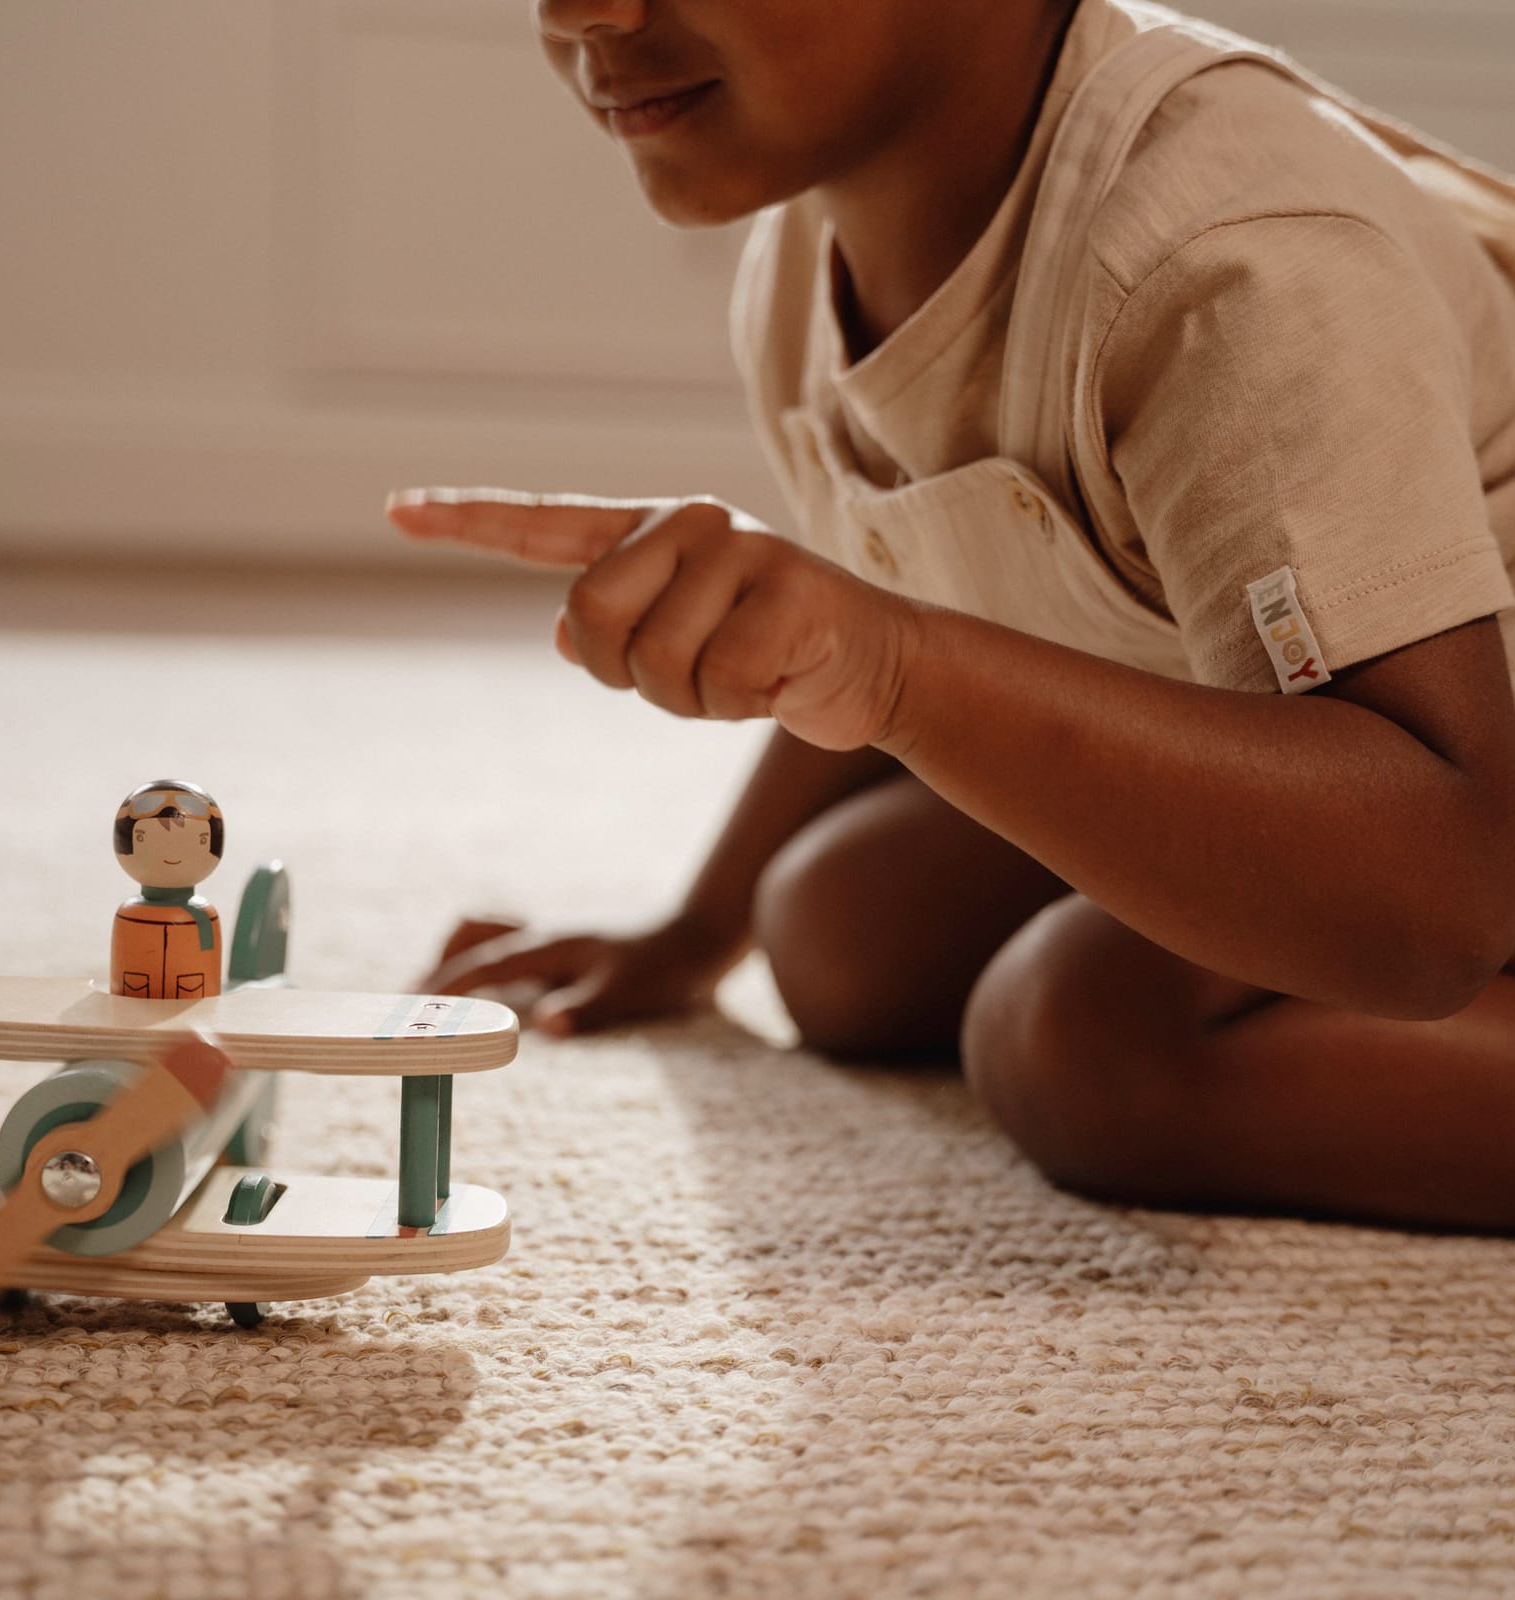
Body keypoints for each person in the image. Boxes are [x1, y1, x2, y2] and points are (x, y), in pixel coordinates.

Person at [385, 0, 1515, 1230]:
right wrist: (698, 927)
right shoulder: (820, 235)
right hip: (1324, 743)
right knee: (836, 931)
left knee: (1082, 1035)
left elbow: (1444, 886)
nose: (576, 11)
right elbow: (921, 583)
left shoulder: (1225, 256)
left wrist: (899, 668)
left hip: (1456, 785)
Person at [111, 780, 226, 1000]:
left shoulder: (203, 916)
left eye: (201, 839)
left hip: (194, 1011)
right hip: (131, 1011)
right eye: (141, 837)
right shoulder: (129, 914)